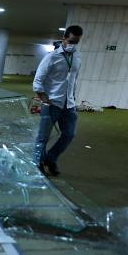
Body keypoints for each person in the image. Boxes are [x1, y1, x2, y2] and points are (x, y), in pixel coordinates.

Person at [32, 25, 84, 176]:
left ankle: (51, 158)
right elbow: (38, 80)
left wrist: (73, 97)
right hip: (52, 103)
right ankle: (38, 163)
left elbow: (73, 80)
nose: (73, 44)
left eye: (76, 42)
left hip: (69, 105)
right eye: (71, 40)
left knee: (69, 134)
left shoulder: (77, 57)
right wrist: (45, 100)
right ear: (64, 38)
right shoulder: (51, 57)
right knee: (43, 137)